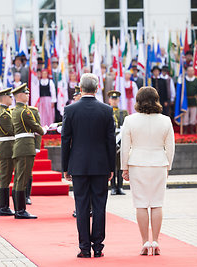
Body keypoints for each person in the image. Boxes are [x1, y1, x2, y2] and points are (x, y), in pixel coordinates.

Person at [61, 73, 116, 258]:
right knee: (100, 206)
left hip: (78, 165)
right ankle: (98, 246)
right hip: (101, 165)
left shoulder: (70, 110)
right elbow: (111, 141)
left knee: (82, 205)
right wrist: (111, 167)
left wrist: (65, 166)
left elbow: (65, 140)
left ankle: (84, 247)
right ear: (97, 87)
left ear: (81, 88)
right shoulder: (107, 110)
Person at [120, 86, 175, 256]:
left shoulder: (130, 120)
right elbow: (171, 147)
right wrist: (168, 166)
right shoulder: (166, 120)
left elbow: (125, 146)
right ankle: (156, 240)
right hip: (159, 163)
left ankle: (145, 241)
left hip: (137, 164)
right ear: (156, 100)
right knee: (157, 203)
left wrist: (124, 167)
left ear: (138, 100)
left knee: (141, 204)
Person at [11, 83, 46, 219]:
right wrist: (43, 129)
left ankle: (18, 209)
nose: (28, 95)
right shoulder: (24, 111)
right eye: (26, 93)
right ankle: (20, 210)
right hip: (25, 147)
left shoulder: (15, 110)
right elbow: (37, 128)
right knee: (22, 179)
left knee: (19, 178)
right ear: (20, 95)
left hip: (20, 145)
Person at [0, 88, 15, 216]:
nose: (11, 98)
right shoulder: (4, 114)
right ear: (4, 98)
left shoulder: (6, 112)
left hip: (8, 148)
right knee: (4, 178)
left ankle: (5, 206)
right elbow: (12, 130)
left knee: (6, 178)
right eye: (10, 97)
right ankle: (3, 207)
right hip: (6, 149)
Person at [108, 91, 128, 195]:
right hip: (110, 140)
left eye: (116, 99)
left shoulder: (123, 112)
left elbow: (126, 126)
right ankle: (113, 187)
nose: (114, 101)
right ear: (109, 100)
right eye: (113, 99)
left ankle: (120, 187)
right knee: (111, 165)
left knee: (120, 165)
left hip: (121, 141)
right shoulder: (106, 111)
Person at [183, 66, 197, 134]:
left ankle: (192, 130)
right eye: (189, 71)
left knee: (193, 116)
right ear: (187, 72)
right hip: (185, 101)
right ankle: (185, 130)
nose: (190, 72)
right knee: (185, 116)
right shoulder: (184, 80)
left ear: (194, 72)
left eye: (192, 71)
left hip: (194, 100)